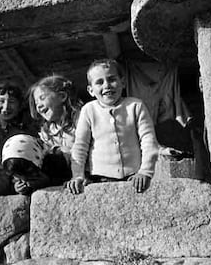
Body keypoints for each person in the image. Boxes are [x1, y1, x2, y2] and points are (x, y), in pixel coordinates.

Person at [67, 59, 159, 194]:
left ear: (122, 82)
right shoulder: (89, 110)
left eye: (112, 79)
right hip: (99, 179)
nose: (107, 85)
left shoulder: (135, 106)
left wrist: (145, 172)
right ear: (91, 90)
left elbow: (148, 141)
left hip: (133, 177)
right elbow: (80, 146)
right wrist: (78, 175)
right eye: (99, 82)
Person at [28, 75, 81, 183]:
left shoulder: (80, 119)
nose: (38, 106)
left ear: (62, 96)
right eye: (36, 103)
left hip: (82, 170)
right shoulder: (46, 131)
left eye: (42, 98)